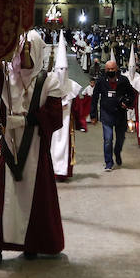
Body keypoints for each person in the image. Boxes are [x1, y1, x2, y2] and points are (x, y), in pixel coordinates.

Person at [0, 31, 66, 265]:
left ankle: (32, 243)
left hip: (34, 145)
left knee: (35, 196)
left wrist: (26, 121)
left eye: (27, 51)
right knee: (0, 191)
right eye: (19, 51)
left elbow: (55, 117)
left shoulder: (50, 81)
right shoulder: (7, 76)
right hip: (8, 143)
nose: (22, 58)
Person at [48, 35, 83, 181]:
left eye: (64, 69)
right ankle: (52, 170)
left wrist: (80, 122)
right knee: (52, 146)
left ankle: (63, 171)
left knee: (64, 147)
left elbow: (77, 107)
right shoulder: (49, 84)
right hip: (52, 125)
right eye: (59, 69)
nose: (62, 71)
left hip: (67, 125)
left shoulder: (72, 86)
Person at [89, 58, 133, 171]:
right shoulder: (101, 81)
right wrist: (93, 115)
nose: (110, 70)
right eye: (108, 69)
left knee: (120, 138)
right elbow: (94, 98)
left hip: (120, 114)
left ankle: (117, 152)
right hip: (106, 113)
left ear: (116, 69)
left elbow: (132, 94)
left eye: (112, 69)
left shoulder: (123, 80)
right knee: (108, 139)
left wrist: (127, 103)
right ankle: (108, 162)